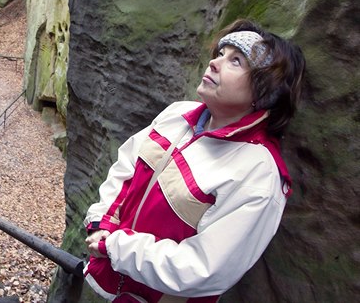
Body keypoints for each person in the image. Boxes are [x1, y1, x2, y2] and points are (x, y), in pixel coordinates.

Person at [83, 19, 305, 302]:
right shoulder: (178, 115)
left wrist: (117, 247)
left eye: (236, 61)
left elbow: (203, 269)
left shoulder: (259, 174)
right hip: (106, 279)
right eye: (221, 54)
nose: (215, 63)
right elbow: (126, 166)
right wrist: (102, 223)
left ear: (266, 91)